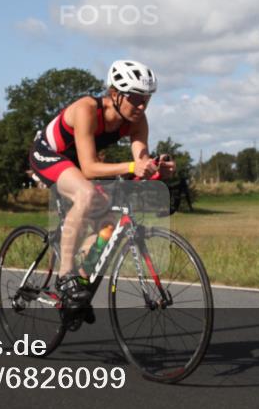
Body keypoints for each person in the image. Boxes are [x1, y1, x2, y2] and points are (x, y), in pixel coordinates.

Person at [28, 60, 175, 314]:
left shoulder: (137, 119)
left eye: (146, 99)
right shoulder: (87, 109)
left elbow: (140, 159)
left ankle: (80, 285)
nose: (142, 106)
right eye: (135, 98)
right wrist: (131, 167)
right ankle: (65, 277)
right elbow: (89, 169)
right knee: (85, 193)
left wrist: (154, 167)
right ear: (115, 94)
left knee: (108, 226)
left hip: (77, 162)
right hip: (49, 153)